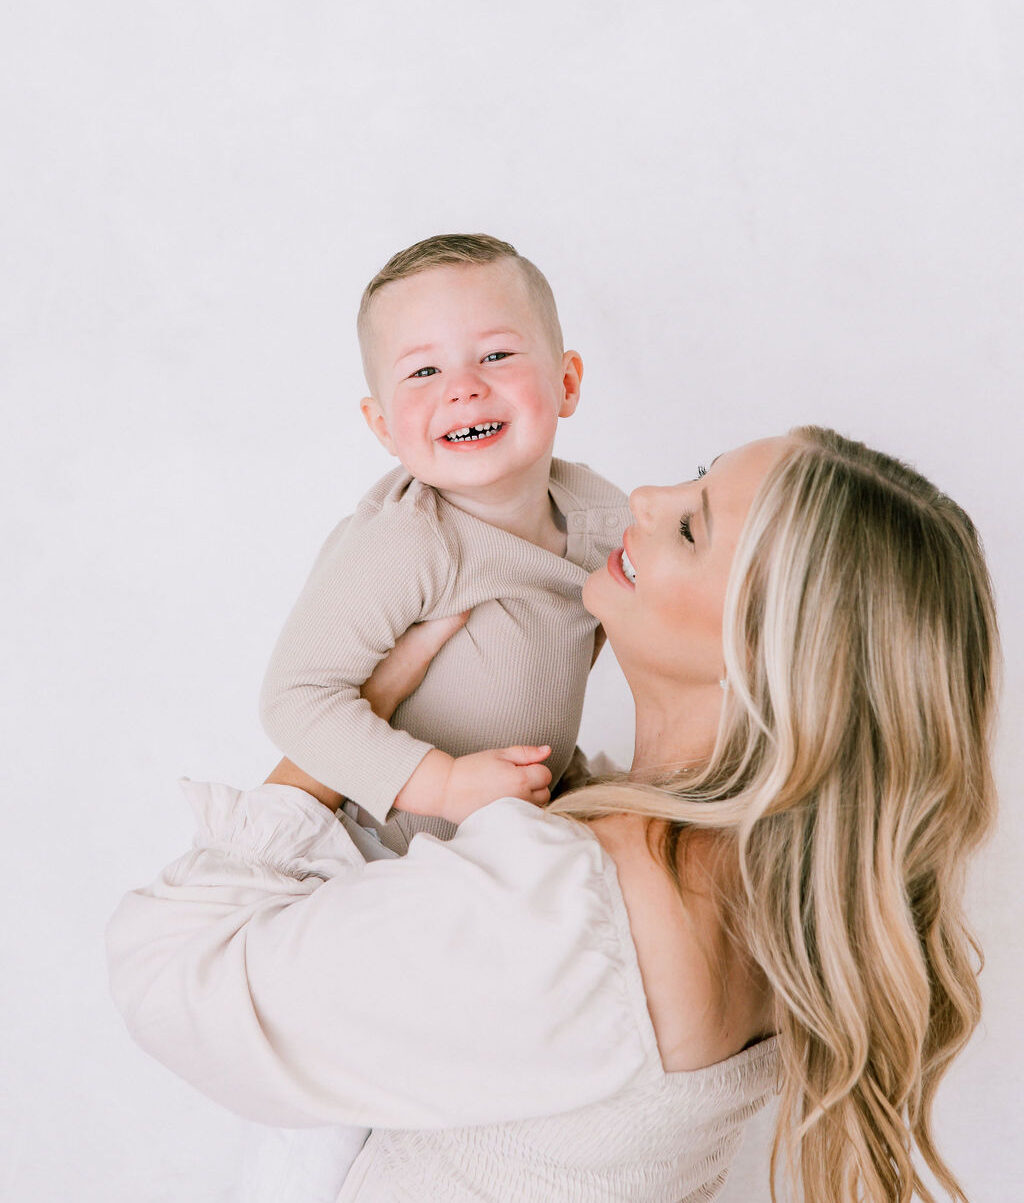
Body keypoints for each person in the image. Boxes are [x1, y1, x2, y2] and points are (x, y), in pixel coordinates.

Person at [106, 428, 999, 1202]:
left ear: (765, 664)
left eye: (692, 526)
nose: (644, 497)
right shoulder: (772, 912)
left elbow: (173, 976)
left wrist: (344, 735)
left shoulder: (570, 919)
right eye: (694, 473)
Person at [260, 232, 631, 856]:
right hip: (389, 854)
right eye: (424, 371)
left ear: (566, 383)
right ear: (382, 427)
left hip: (522, 826)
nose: (462, 387)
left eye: (496, 355)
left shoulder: (600, 513)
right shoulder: (406, 542)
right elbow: (294, 701)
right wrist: (443, 783)